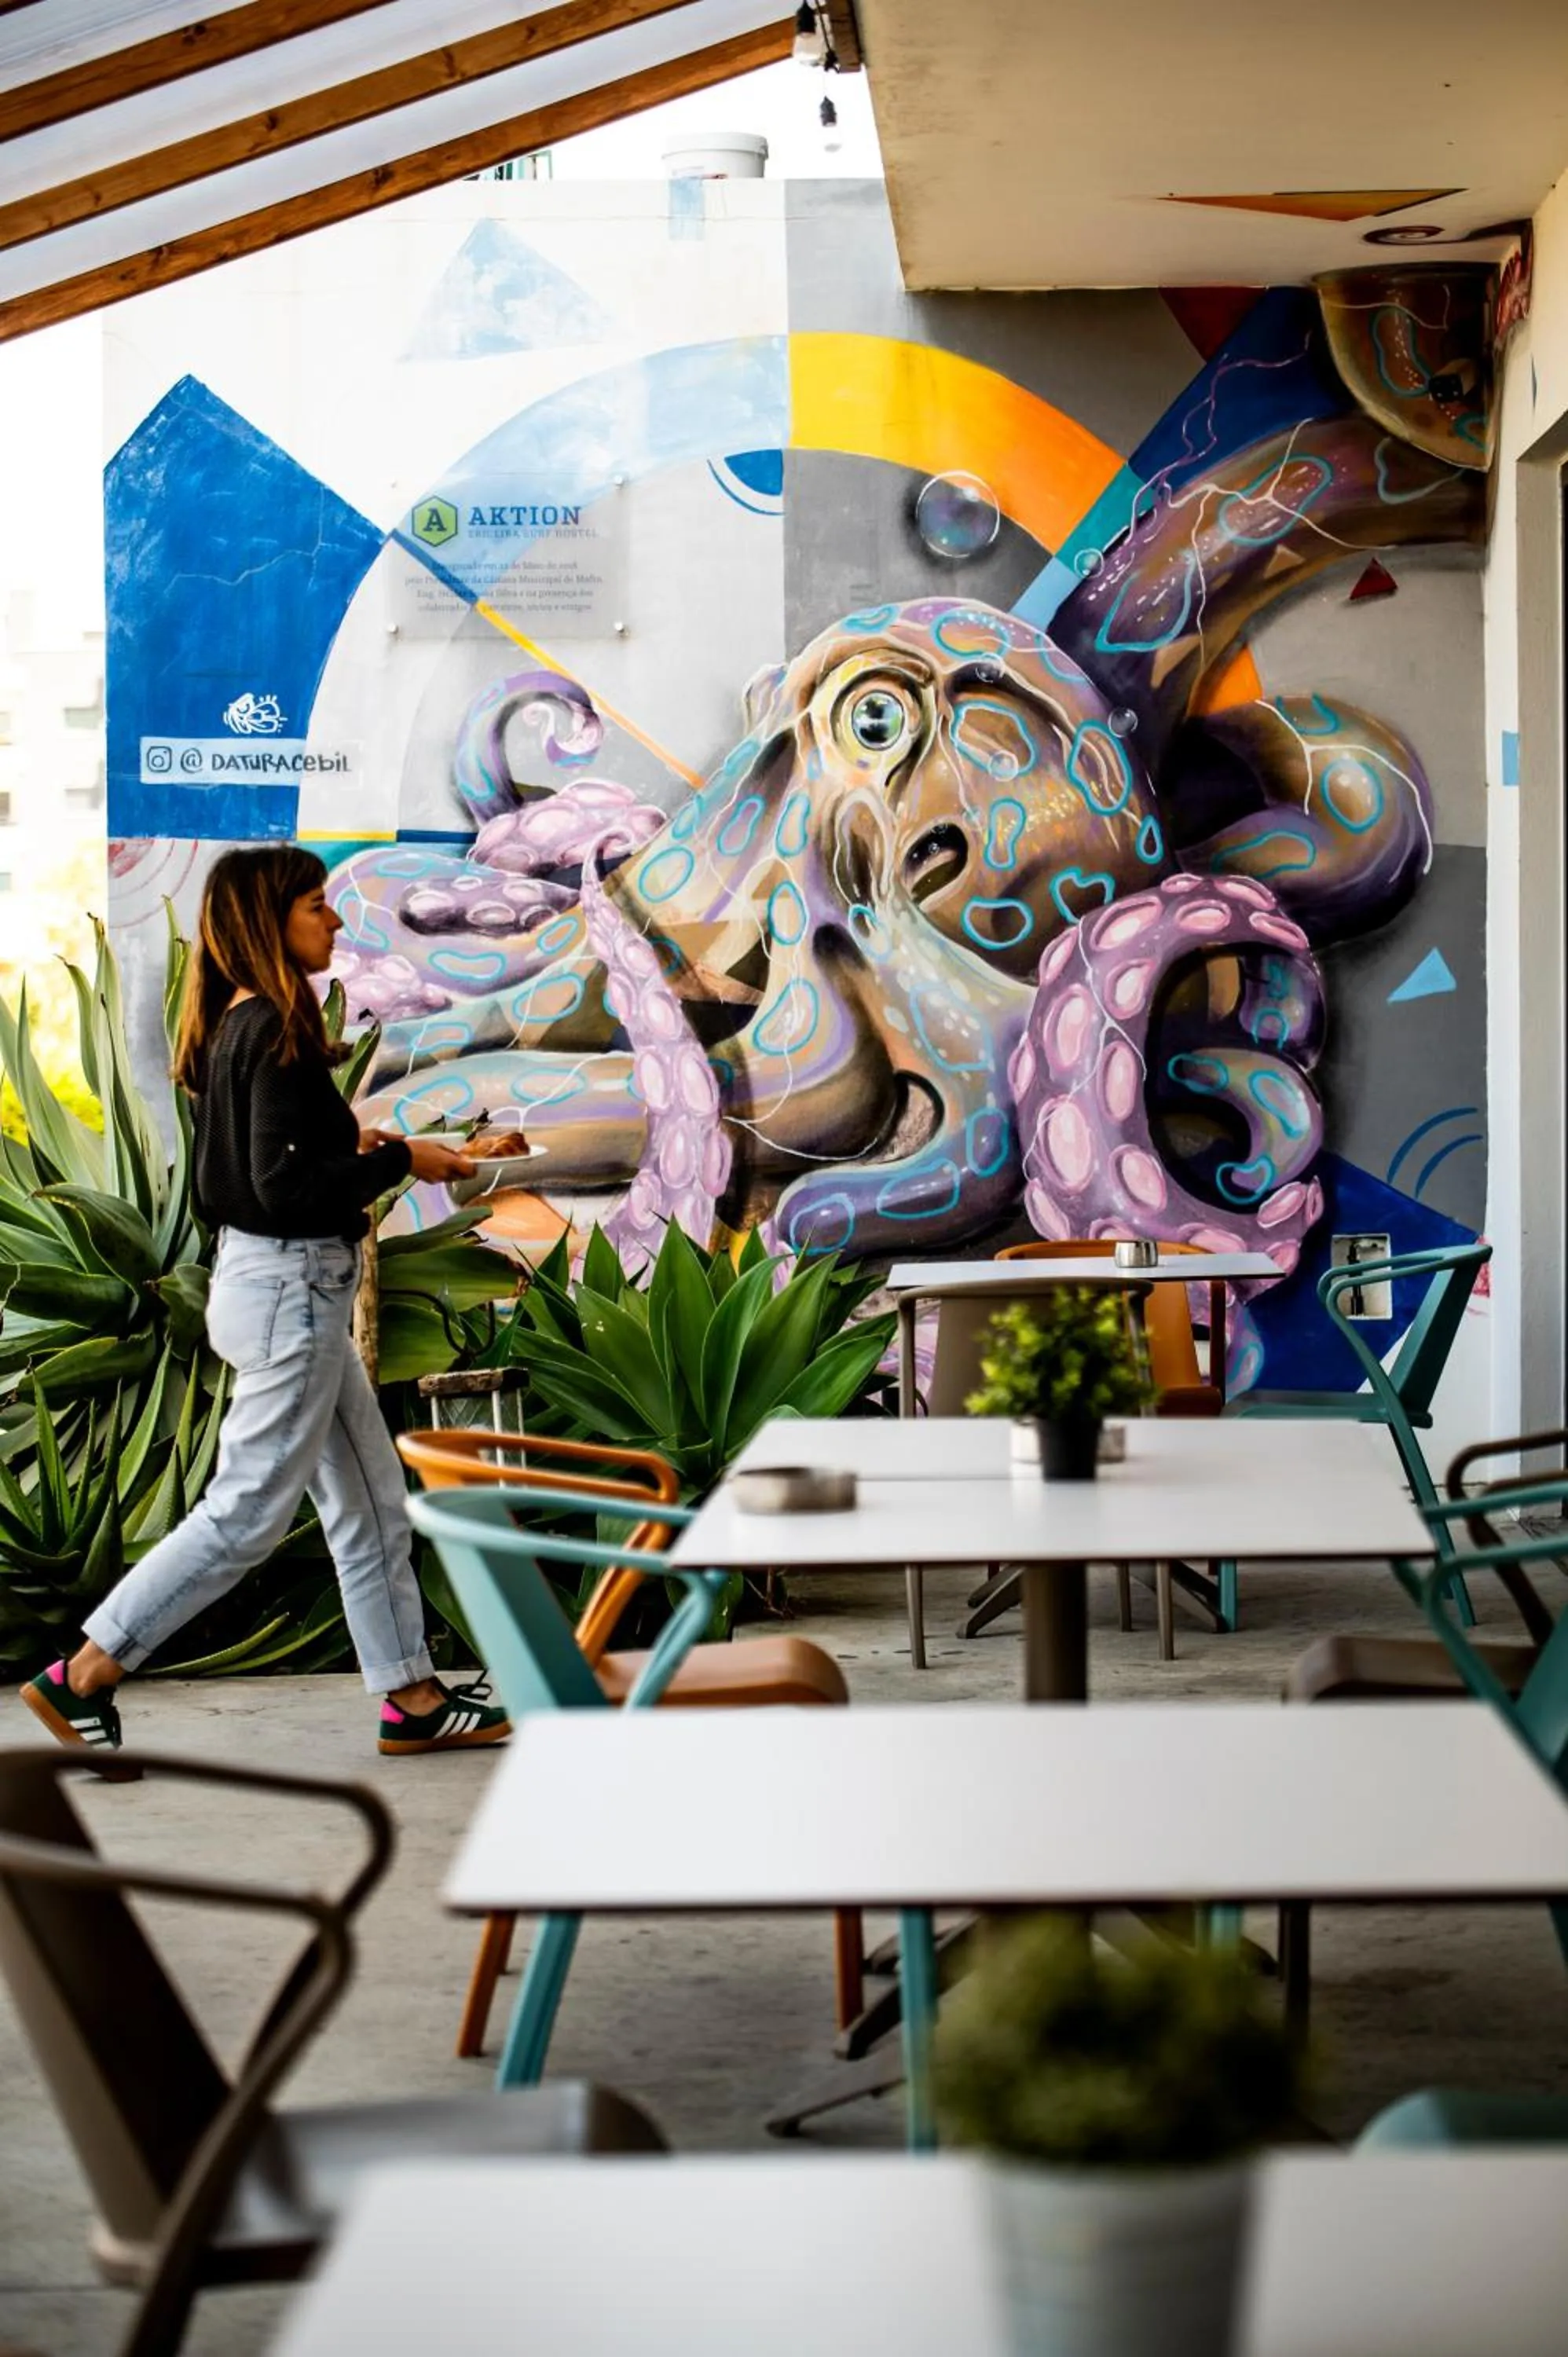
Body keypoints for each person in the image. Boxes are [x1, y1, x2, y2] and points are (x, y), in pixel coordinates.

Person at [20, 845, 511, 1759]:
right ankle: (83, 1672)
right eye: (317, 907)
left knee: (369, 1504)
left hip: (275, 1286)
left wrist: (365, 1144)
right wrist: (403, 1159)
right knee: (246, 1513)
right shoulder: (275, 1031)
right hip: (293, 1294)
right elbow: (285, 1192)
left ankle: (408, 1697)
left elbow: (253, 1172)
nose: (334, 922)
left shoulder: (238, 1022)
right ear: (267, 922)